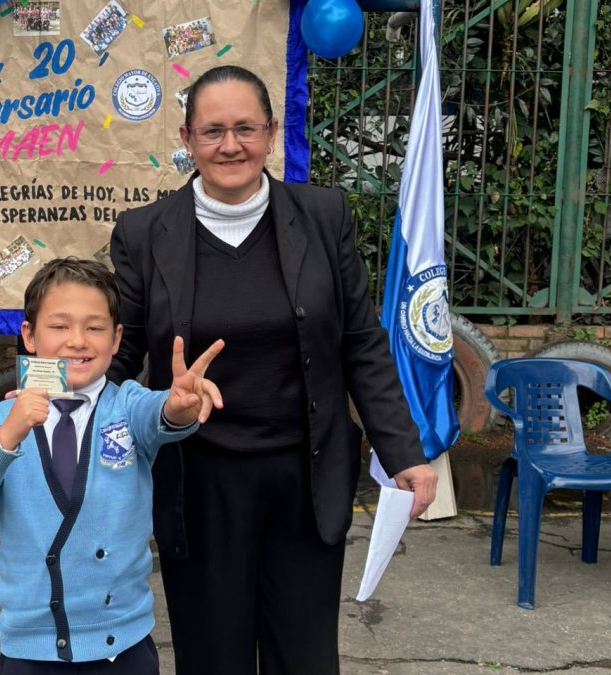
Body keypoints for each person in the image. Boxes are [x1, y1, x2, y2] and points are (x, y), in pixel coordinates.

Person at [107, 65, 439, 674]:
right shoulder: (144, 233)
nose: (230, 145)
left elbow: (360, 341)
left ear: (271, 131)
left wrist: (403, 452)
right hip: (199, 481)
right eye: (212, 131)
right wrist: (49, 407)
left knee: (304, 657)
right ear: (186, 139)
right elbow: (117, 355)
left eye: (245, 128)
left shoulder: (324, 215)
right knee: (212, 657)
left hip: (305, 478)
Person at [0, 257, 224, 674]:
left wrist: (179, 408)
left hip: (122, 649)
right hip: (29, 653)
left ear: (116, 338)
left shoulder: (127, 406)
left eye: (95, 328)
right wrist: (8, 435)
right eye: (59, 326)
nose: (78, 341)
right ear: (29, 335)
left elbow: (161, 415)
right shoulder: (0, 421)